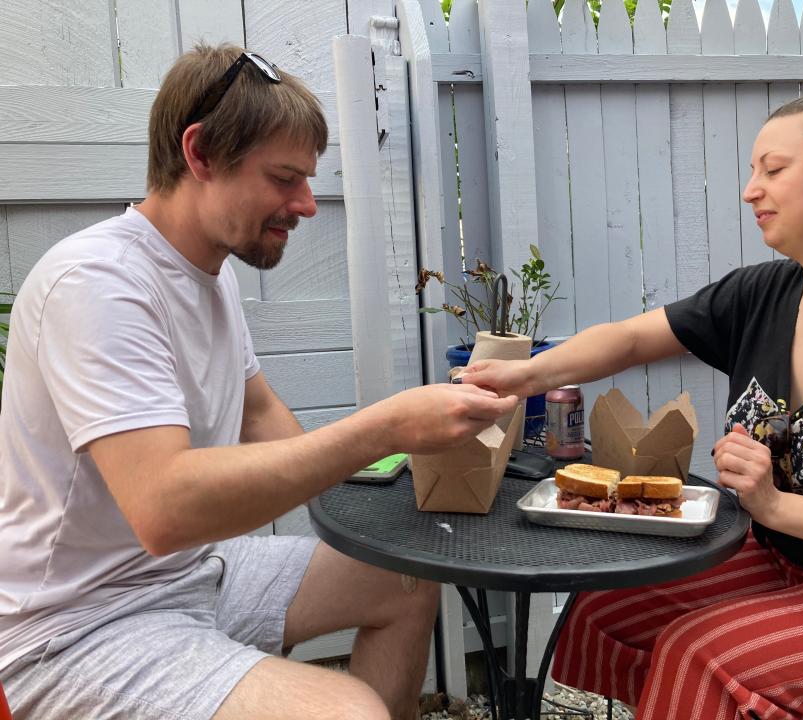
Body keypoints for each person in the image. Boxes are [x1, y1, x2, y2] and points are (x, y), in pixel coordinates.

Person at [0, 43, 518, 720]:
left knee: (404, 580)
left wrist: (384, 495)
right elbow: (164, 509)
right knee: (346, 711)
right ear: (201, 154)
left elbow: (258, 408)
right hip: (77, 629)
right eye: (284, 178)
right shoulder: (99, 285)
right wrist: (385, 426)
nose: (306, 203)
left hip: (190, 577)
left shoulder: (209, 273)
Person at [462, 93, 803, 719]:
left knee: (703, 656)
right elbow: (632, 338)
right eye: (753, 172)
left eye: (773, 170)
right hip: (779, 560)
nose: (752, 191)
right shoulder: (764, 293)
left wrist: (778, 506)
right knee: (606, 610)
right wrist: (523, 374)